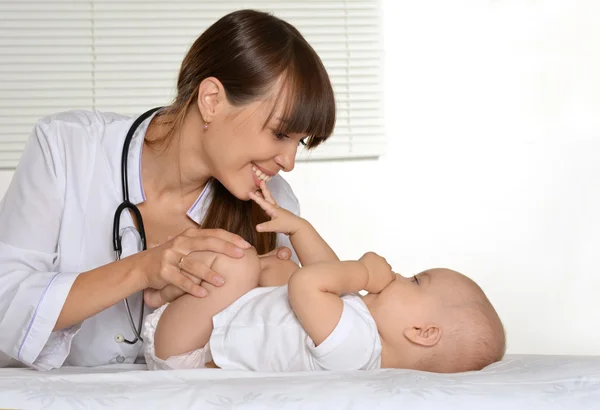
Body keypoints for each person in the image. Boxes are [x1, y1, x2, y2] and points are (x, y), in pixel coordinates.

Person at [0, 9, 336, 370]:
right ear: (211, 100)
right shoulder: (67, 148)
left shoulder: (274, 205)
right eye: (281, 134)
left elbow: (285, 350)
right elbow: (6, 302)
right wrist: (145, 269)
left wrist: (260, 285)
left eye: (299, 143)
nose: (288, 161)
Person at [143, 181, 506, 373]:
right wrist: (300, 229)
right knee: (283, 268)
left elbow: (309, 283)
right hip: (213, 335)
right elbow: (324, 270)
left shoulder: (356, 348)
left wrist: (363, 271)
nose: (400, 276)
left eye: (415, 281)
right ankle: (183, 297)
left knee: (244, 262)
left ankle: (165, 294)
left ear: (421, 333)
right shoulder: (360, 334)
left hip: (185, 350)